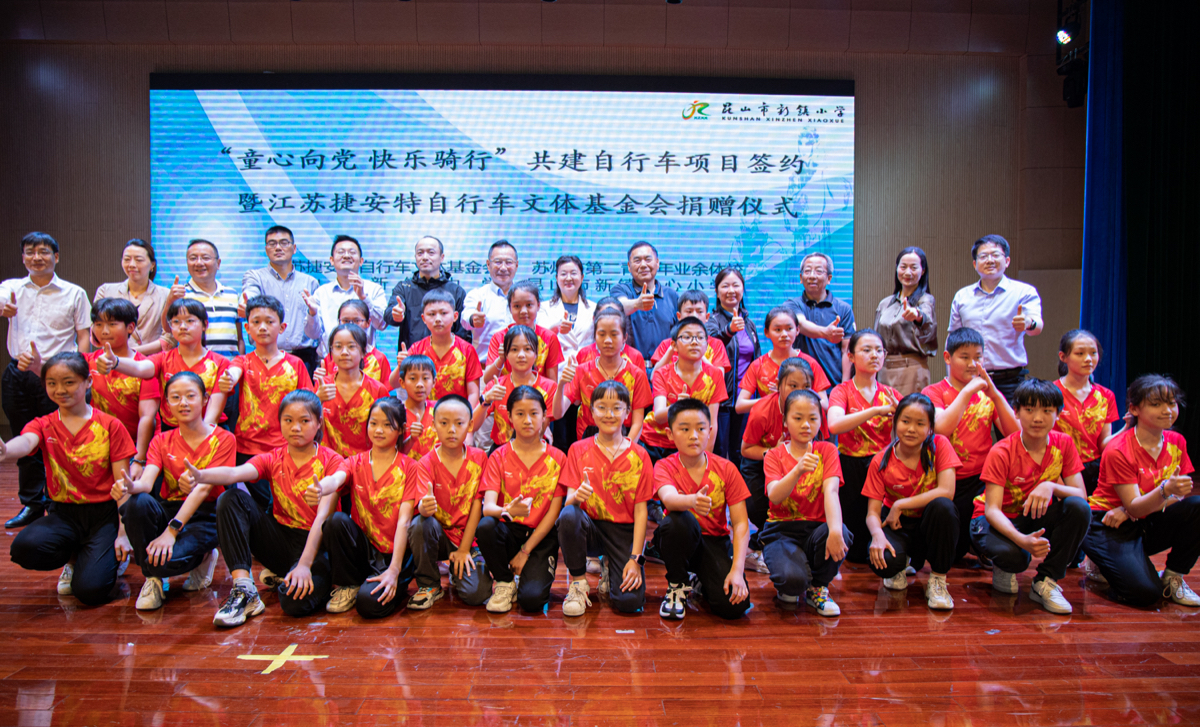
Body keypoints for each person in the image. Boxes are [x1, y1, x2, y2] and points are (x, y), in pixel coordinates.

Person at [191, 390, 342, 626]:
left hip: (316, 546)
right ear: (279, 422)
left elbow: (323, 516)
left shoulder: (332, 460)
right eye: (288, 420)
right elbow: (234, 473)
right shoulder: (273, 457)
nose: (295, 428)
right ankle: (244, 589)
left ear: (319, 423)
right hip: (280, 540)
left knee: (294, 603)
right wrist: (202, 475)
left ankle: (294, 575)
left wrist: (304, 565)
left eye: (304, 421)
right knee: (230, 498)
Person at [3, 352, 135, 605]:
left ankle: (107, 555)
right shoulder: (43, 424)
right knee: (23, 548)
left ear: (88, 382)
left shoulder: (110, 425)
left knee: (89, 592)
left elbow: (123, 484)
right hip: (63, 513)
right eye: (52, 383)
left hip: (103, 515)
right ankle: (73, 559)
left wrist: (123, 532)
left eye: (69, 382)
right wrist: (6, 450)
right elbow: (27, 442)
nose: (60, 390)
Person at [112, 372, 232, 610]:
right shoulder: (161, 440)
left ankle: (202, 557)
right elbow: (147, 483)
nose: (183, 403)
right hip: (170, 508)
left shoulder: (224, 439)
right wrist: (130, 487)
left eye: (190, 396)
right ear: (166, 404)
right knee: (136, 502)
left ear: (205, 399)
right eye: (175, 397)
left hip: (205, 514)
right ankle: (153, 579)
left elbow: (202, 491)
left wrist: (171, 531)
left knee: (163, 560)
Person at [971, 378, 1090, 614]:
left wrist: (1050, 486)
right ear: (1016, 412)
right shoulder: (1002, 451)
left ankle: (1046, 580)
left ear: (1058, 414)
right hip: (993, 519)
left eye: (1047, 411)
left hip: (1032, 515)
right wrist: (1021, 540)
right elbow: (992, 510)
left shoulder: (1064, 443)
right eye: (1029, 410)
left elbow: (1081, 495)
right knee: (1016, 558)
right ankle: (1004, 564)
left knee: (1078, 508)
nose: (1038, 418)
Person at [1083, 375, 1200, 607]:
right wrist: (1161, 493)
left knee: (1196, 507)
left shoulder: (1177, 441)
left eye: (1172, 403)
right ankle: (1100, 561)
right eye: (1156, 404)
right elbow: (1146, 501)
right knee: (1146, 594)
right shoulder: (1119, 449)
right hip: (1108, 523)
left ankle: (1173, 576)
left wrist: (1130, 511)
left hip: (1137, 515)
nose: (1167, 410)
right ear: (1134, 409)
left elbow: (1178, 495)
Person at [1, 232, 92, 529]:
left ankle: (60, 503)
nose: (36, 257)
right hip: (18, 374)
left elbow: (83, 335)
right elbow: (1, 301)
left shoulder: (74, 292)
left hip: (58, 376)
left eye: (43, 251)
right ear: (23, 257)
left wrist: (78, 373)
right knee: (25, 438)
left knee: (60, 441)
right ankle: (31, 503)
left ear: (56, 256)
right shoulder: (11, 288)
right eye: (30, 252)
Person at [309, 397, 420, 618]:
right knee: (336, 521)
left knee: (368, 605)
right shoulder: (354, 461)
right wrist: (322, 487)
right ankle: (348, 584)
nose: (378, 430)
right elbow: (337, 478)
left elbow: (405, 521)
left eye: (387, 425)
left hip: (393, 555)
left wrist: (394, 570)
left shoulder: (410, 467)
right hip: (364, 550)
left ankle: (387, 581)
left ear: (401, 429)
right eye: (373, 423)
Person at [557, 380, 653, 617]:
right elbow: (568, 504)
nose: (609, 414)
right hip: (590, 527)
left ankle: (610, 566)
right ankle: (579, 583)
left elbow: (642, 511)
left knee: (629, 602)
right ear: (591, 411)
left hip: (623, 532)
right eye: (601, 407)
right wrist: (577, 497)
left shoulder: (640, 456)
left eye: (616, 408)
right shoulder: (577, 449)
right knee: (568, 515)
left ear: (627, 412)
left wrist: (635, 559)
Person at [923, 328, 1019, 562]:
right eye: (964, 357)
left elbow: (1014, 433)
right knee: (953, 554)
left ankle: (983, 546)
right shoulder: (933, 392)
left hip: (981, 481)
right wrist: (967, 391)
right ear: (948, 357)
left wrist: (996, 395)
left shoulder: (987, 394)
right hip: (946, 480)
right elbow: (941, 428)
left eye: (978, 357)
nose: (972, 364)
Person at [653, 398, 753, 620]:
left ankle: (700, 581)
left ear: (710, 431)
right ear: (670, 434)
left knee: (735, 606)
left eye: (700, 429)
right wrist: (691, 501)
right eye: (685, 429)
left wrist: (737, 570)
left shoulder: (727, 468)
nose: (694, 436)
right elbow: (668, 499)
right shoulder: (664, 466)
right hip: (679, 539)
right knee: (678, 521)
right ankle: (677, 585)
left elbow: (740, 524)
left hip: (714, 541)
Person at [863, 394, 961, 610]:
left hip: (929, 524)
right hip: (897, 524)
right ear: (895, 421)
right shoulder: (880, 460)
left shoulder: (940, 445)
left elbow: (947, 491)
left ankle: (938, 580)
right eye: (905, 421)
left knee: (944, 507)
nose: (911, 429)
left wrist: (900, 504)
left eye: (920, 424)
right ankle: (900, 565)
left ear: (930, 428)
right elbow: (872, 512)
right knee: (882, 559)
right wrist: (877, 535)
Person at [476, 386, 566, 613]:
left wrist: (525, 551)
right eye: (520, 414)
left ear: (544, 416)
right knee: (486, 526)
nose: (527, 420)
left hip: (541, 536)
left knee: (532, 601)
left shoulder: (558, 458)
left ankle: (526, 575)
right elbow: (488, 508)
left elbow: (553, 514)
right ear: (509, 417)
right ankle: (505, 582)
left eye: (534, 413)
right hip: (508, 530)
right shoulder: (498, 456)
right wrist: (507, 510)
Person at [221, 295, 316, 509]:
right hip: (247, 449)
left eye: (269, 321)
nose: (262, 327)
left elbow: (308, 405)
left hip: (285, 448)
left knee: (284, 506)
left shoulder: (296, 364)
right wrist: (229, 379)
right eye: (256, 322)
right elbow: (233, 373)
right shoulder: (241, 361)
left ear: (282, 327)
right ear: (247, 328)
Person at [763, 390, 848, 616]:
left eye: (812, 418)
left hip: (815, 531)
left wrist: (835, 531)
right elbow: (774, 496)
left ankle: (818, 587)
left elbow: (831, 492)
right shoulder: (773, 455)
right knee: (792, 584)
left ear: (821, 420)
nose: (806, 425)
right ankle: (797, 579)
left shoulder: (828, 450)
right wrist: (798, 469)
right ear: (785, 421)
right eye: (798, 418)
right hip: (781, 531)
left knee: (840, 532)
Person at [410, 395, 492, 609]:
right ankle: (429, 585)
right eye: (444, 423)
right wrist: (424, 508)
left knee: (477, 594)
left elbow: (477, 506)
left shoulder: (480, 458)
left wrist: (464, 549)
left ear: (470, 425)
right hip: (439, 537)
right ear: (434, 425)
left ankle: (458, 569)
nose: (451, 430)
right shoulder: (425, 463)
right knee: (420, 524)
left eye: (459, 423)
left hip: (469, 539)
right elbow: (421, 506)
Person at [100, 298, 231, 432]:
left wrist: (201, 438)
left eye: (190, 321)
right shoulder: (163, 359)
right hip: (170, 431)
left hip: (209, 431)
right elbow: (139, 368)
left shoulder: (220, 362)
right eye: (176, 322)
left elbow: (212, 415)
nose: (182, 326)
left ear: (204, 325)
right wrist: (115, 361)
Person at [827, 329, 900, 564]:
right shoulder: (842, 391)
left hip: (882, 466)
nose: (874, 355)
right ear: (850, 356)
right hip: (850, 466)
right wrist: (875, 411)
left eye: (879, 350)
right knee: (856, 552)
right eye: (866, 350)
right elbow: (834, 425)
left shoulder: (891, 394)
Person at [739, 358, 815, 575]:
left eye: (806, 386)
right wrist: (774, 452)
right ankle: (764, 545)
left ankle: (777, 545)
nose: (799, 392)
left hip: (799, 462)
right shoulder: (762, 410)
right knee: (757, 507)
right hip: (759, 461)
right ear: (778, 385)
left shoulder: (814, 409)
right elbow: (746, 449)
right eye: (793, 385)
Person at [947, 234, 1044, 404]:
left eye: (995, 255)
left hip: (1010, 381)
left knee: (1010, 423)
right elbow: (952, 339)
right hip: (970, 378)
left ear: (1007, 261)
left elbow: (1037, 326)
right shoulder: (962, 296)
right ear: (975, 264)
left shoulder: (1023, 292)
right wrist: (950, 378)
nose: (990, 260)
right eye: (983, 256)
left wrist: (1028, 323)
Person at [86, 299, 160, 481]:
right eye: (98, 324)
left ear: (130, 327)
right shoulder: (87, 361)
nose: (104, 331)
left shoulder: (144, 366)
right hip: (100, 442)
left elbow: (147, 417)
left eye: (112, 324)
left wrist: (139, 460)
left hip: (137, 447)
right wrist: (36, 366)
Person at [554, 307, 651, 443]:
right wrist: (561, 384)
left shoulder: (636, 375)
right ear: (594, 337)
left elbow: (637, 423)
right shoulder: (582, 371)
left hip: (624, 438)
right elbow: (558, 413)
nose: (607, 340)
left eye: (614, 334)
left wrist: (625, 449)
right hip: (588, 440)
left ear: (624, 337)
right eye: (602, 334)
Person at [640, 318, 728, 461]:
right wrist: (678, 406)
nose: (694, 342)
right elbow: (659, 416)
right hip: (656, 442)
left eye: (700, 337)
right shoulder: (661, 373)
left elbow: (711, 423)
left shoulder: (715, 375)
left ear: (706, 346)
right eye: (687, 337)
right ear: (674, 345)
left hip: (691, 442)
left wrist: (705, 460)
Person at [240, 226, 321, 375]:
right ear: (266, 249)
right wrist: (247, 304)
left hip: (304, 358)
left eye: (284, 243)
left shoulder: (310, 282)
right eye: (272, 243)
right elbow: (250, 295)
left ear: (294, 248)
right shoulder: (255, 277)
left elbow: (316, 328)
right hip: (266, 356)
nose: (278, 247)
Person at [1054, 329, 1121, 497]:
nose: (1088, 359)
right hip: (1060, 469)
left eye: (1093, 353)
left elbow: (1104, 444)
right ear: (1063, 357)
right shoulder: (1051, 393)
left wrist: (1128, 427)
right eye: (1080, 353)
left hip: (1095, 470)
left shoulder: (1106, 396)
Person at [539, 255, 596, 451]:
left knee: (584, 434)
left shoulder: (594, 308)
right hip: (558, 376)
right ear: (556, 278)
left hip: (586, 376)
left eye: (573, 273)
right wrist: (554, 328)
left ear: (582, 277)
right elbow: (538, 339)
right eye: (563, 274)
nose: (569, 278)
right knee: (560, 434)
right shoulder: (544, 308)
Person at [312, 325, 392, 462]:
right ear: (331, 352)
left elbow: (388, 430)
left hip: (367, 463)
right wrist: (318, 400)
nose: (344, 352)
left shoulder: (377, 389)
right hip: (328, 463)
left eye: (351, 346)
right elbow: (309, 425)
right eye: (338, 347)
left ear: (363, 352)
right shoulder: (322, 386)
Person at [707, 268, 760, 466]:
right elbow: (711, 346)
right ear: (716, 291)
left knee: (741, 452)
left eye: (736, 285)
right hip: (722, 400)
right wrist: (729, 330)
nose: (731, 290)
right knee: (720, 451)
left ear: (743, 289)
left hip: (746, 399)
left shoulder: (749, 323)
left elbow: (757, 360)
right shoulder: (711, 321)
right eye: (725, 286)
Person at [472, 326, 557, 451]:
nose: (521, 355)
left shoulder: (549, 387)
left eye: (527, 349)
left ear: (536, 354)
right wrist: (486, 400)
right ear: (506, 354)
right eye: (514, 349)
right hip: (501, 452)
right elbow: (472, 426)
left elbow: (542, 429)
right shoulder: (496, 385)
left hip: (535, 450)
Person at [302, 235, 388, 359]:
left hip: (365, 362)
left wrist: (364, 298)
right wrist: (312, 313)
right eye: (341, 252)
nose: (346, 256)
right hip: (329, 362)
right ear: (332, 260)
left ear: (361, 261)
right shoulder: (322, 292)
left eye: (352, 252)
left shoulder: (374, 289)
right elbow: (312, 334)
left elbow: (382, 324)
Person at [734, 306, 830, 415]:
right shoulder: (758, 365)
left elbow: (824, 405)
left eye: (789, 329)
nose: (784, 334)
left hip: (801, 422)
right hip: (768, 422)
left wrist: (789, 396)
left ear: (797, 330)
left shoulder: (809, 363)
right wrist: (774, 398)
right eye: (778, 330)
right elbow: (740, 406)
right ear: (766, 332)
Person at [162, 239, 243, 358]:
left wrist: (240, 362)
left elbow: (239, 338)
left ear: (218, 263)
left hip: (230, 365)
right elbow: (168, 329)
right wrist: (170, 301)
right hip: (195, 365)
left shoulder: (232, 294)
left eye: (205, 258)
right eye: (193, 258)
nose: (199, 263)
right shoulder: (180, 294)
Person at [873, 247, 937, 396]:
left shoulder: (925, 300)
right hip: (883, 370)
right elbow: (876, 338)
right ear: (897, 269)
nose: (908, 272)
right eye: (903, 267)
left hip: (912, 371)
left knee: (909, 409)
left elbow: (927, 321)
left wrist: (918, 316)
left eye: (914, 268)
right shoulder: (885, 303)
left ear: (923, 271)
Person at [784, 252, 855, 385]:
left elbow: (847, 350)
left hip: (833, 383)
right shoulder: (791, 305)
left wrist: (844, 385)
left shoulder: (843, 309)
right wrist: (825, 333)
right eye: (807, 271)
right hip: (798, 384)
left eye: (818, 271)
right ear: (801, 278)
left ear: (829, 278)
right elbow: (801, 324)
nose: (812, 276)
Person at [405, 289, 482, 408]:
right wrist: (401, 364)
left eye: (443, 313)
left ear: (455, 316)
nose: (438, 319)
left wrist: (467, 416)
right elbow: (395, 383)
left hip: (457, 415)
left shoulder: (467, 350)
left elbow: (473, 393)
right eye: (432, 314)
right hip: (424, 415)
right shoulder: (416, 349)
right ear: (423, 318)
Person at [388, 235, 468, 349]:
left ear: (442, 257)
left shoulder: (456, 291)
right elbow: (388, 315)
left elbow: (463, 334)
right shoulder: (404, 288)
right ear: (415, 257)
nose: (425, 257)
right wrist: (395, 315)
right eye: (420, 253)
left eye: (431, 253)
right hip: (411, 357)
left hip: (446, 357)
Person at [95, 239, 171, 355]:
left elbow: (169, 339)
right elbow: (97, 330)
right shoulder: (106, 291)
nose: (132, 265)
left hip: (153, 361)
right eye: (127, 259)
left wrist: (131, 353)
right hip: (114, 360)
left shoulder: (165, 294)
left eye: (139, 260)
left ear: (152, 265)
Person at [611, 242, 680, 366]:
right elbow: (618, 307)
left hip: (665, 369)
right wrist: (637, 304)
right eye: (637, 261)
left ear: (657, 263)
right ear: (629, 266)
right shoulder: (621, 290)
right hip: (630, 369)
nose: (643, 265)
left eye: (648, 259)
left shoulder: (671, 295)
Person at [483, 281, 564, 383]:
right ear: (510, 308)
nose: (523, 311)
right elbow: (488, 381)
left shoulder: (549, 338)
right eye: (517, 306)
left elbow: (552, 384)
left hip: (538, 392)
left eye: (529, 305)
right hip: (505, 392)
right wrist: (500, 359)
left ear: (538, 305)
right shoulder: (499, 338)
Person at [462, 240, 518, 363]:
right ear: (488, 264)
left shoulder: (525, 296)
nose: (503, 268)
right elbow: (465, 318)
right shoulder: (477, 295)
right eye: (498, 262)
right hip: (485, 369)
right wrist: (473, 319)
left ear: (516, 265)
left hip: (519, 369)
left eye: (509, 262)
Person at [650, 291, 731, 375]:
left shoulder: (716, 344)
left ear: (707, 317)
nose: (694, 316)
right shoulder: (667, 344)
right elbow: (654, 377)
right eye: (689, 311)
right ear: (679, 316)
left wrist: (698, 353)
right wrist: (672, 348)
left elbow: (720, 377)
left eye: (699, 312)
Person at [320, 300, 392, 385]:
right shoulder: (332, 358)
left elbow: (386, 390)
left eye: (357, 321)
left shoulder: (379, 359)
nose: (351, 325)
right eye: (345, 321)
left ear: (368, 322)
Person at [397, 355, 439, 461]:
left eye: (425, 378)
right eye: (413, 378)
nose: (419, 384)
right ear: (402, 382)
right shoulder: (395, 413)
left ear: (434, 382)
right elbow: (390, 454)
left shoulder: (440, 410)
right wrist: (411, 439)